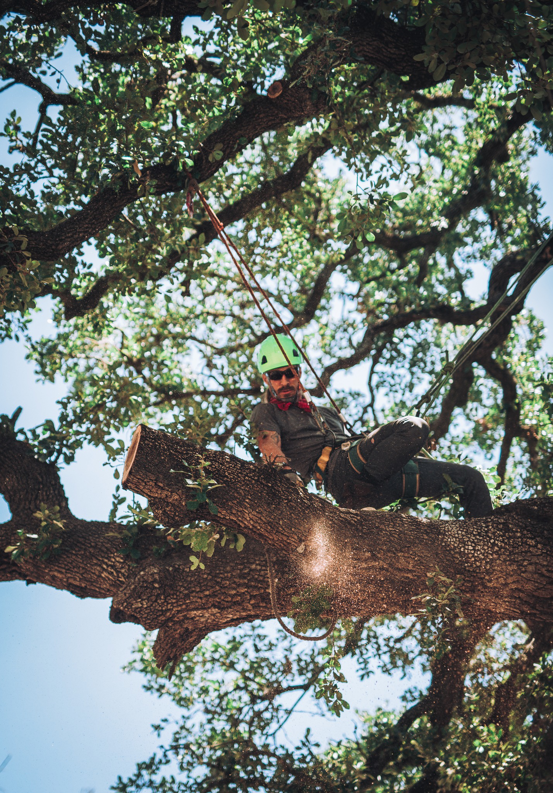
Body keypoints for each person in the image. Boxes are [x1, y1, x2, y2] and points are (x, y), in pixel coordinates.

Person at [250, 334, 493, 519]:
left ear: (299, 373)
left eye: (289, 373)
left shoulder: (325, 413)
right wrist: (289, 480)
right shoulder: (267, 411)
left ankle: (484, 552)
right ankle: (360, 491)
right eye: (275, 376)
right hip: (342, 472)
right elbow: (269, 444)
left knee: (470, 479)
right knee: (414, 427)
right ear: (266, 379)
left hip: (378, 479)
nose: (284, 381)